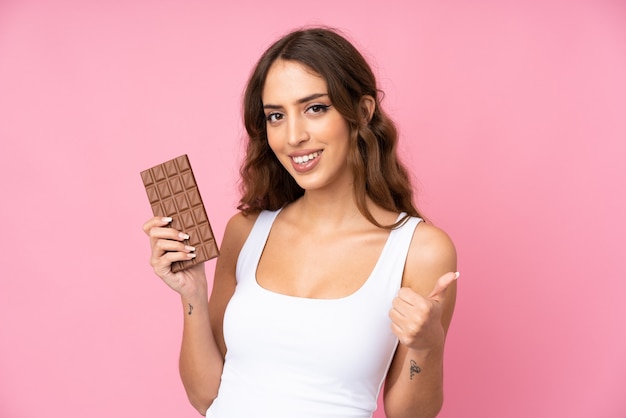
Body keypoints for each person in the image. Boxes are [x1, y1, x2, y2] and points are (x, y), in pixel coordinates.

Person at [143, 27, 458, 418]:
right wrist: (191, 295)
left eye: (315, 108)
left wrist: (428, 346)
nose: (293, 136)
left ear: (361, 111)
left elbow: (410, 416)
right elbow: (207, 396)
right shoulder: (245, 232)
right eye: (276, 116)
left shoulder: (420, 250)